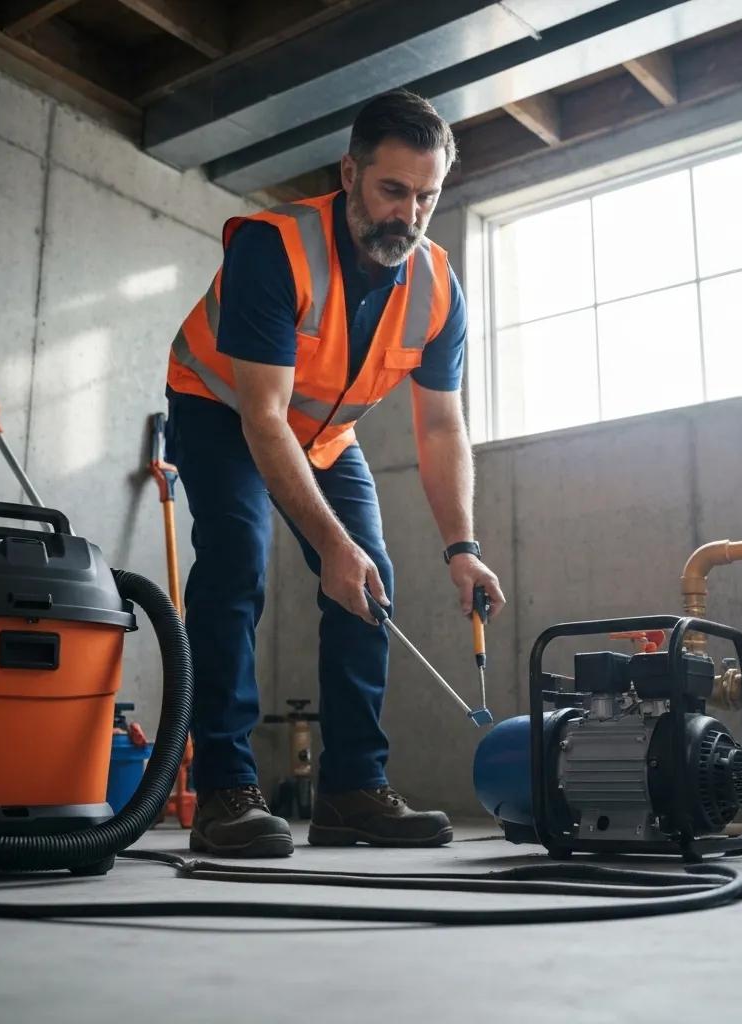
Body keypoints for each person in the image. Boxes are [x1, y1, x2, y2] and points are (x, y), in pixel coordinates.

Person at [164, 89, 506, 857]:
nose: (408, 216)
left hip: (324, 433)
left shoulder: (439, 285)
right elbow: (261, 415)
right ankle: (225, 789)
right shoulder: (273, 246)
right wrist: (329, 545)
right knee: (237, 561)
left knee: (369, 575)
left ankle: (353, 790)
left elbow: (442, 423)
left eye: (427, 197)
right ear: (350, 172)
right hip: (223, 408)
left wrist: (462, 547)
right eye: (392, 190)